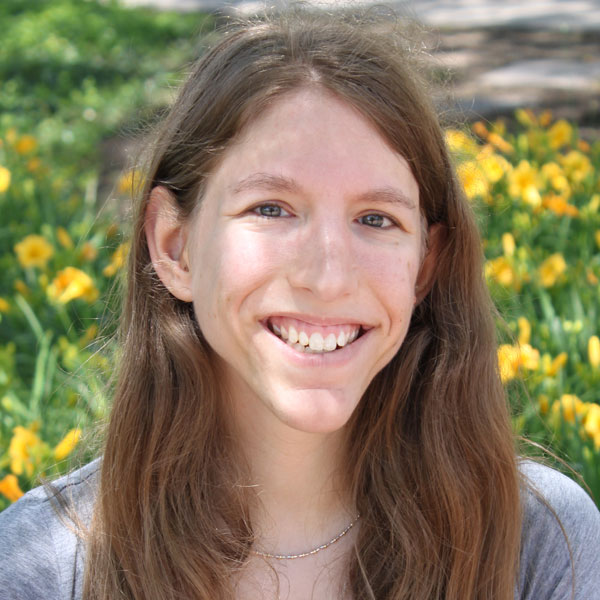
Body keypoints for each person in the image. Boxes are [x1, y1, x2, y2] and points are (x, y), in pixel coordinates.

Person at [0, 10, 599, 600]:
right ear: (174, 246)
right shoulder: (46, 566)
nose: (329, 276)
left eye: (376, 218)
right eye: (271, 209)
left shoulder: (543, 546)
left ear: (425, 265)